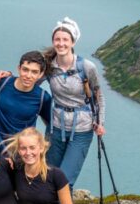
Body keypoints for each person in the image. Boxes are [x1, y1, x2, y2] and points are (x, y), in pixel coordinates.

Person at [44, 17, 106, 186]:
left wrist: (100, 122)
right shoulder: (49, 66)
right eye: (57, 39)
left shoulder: (86, 67)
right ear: (53, 41)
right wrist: (6, 77)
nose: (61, 43)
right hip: (56, 128)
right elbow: (30, 81)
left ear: (73, 42)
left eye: (65, 39)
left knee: (65, 180)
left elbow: (98, 96)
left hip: (82, 130)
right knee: (49, 175)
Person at [0, 51, 53, 149]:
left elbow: (50, 124)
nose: (28, 75)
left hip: (21, 154)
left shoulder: (43, 98)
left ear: (41, 74)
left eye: (34, 72)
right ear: (19, 69)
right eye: (25, 70)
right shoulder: (2, 83)